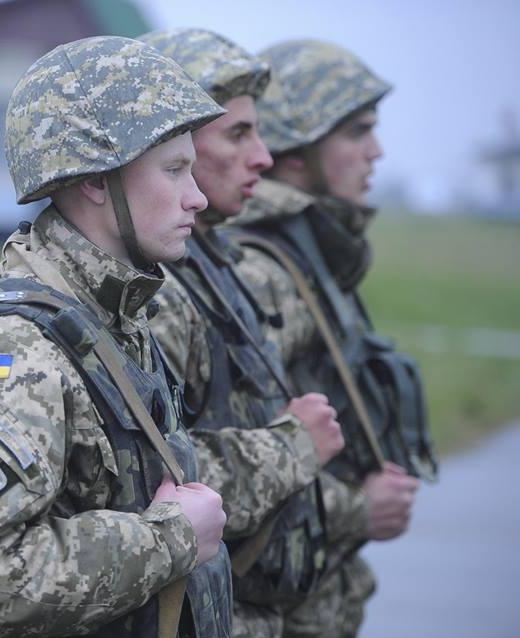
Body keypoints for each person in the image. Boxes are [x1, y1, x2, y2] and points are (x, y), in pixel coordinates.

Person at [0, 35, 238, 637]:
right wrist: (171, 538)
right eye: (174, 170)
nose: (198, 197)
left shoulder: (111, 317)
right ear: (96, 180)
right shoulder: (19, 349)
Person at [140, 28, 343, 637]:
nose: (264, 157)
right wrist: (295, 446)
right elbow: (154, 482)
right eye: (238, 134)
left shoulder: (214, 265)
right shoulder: (157, 293)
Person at [229, 39, 430, 638]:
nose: (376, 152)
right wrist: (358, 509)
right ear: (297, 150)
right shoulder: (259, 271)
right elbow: (228, 457)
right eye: (357, 132)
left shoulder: (306, 251)